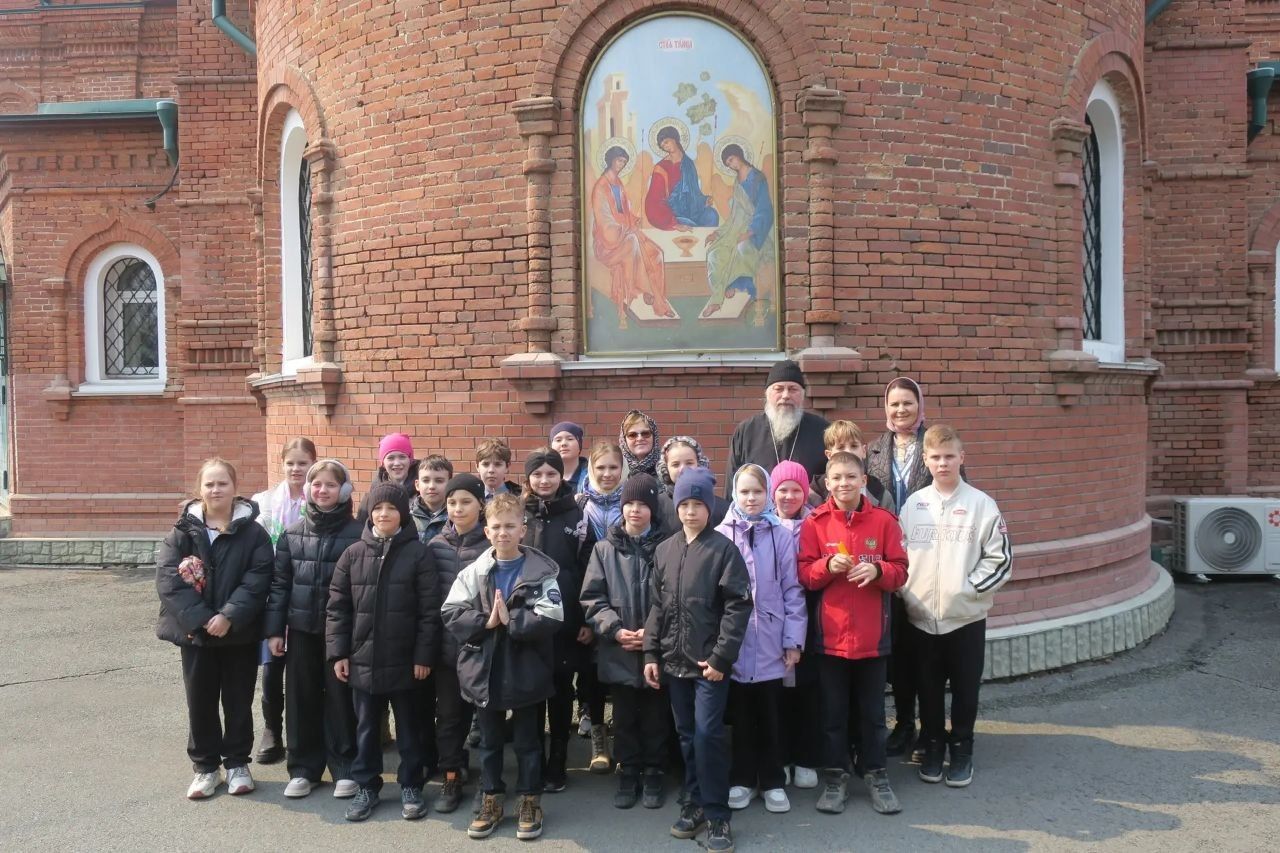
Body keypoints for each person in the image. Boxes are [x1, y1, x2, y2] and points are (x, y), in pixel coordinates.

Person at [443, 492, 565, 841]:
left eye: (510, 526)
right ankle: (491, 798)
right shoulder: (474, 572)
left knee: (528, 742)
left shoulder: (541, 572)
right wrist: (487, 621)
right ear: (486, 531)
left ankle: (529, 800)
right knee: (490, 742)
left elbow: (553, 615)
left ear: (523, 530)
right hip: (485, 671)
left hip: (527, 670)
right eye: (496, 527)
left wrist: (513, 622)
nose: (503, 533)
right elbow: (451, 612)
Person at [644, 467, 752, 853]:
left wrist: (721, 658)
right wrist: (651, 652)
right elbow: (657, 607)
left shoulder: (724, 550)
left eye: (698, 504)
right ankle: (694, 802)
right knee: (687, 736)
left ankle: (718, 814)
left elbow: (738, 607)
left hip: (709, 666)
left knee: (708, 736)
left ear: (710, 507)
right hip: (674, 663)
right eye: (684, 504)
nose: (690, 512)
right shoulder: (665, 550)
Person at [898, 425, 1011, 789]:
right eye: (935, 457)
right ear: (925, 460)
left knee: (965, 690)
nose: (943, 463)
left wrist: (967, 590)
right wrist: (907, 591)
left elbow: (1000, 560)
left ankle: (962, 749)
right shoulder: (914, 505)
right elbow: (899, 555)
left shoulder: (982, 505)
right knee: (928, 690)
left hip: (965, 619)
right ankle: (933, 746)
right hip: (921, 619)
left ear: (962, 457)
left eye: (949, 456)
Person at [156, 457, 273, 799]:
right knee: (200, 702)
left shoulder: (253, 533)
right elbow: (168, 580)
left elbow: (258, 579)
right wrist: (203, 619)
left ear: (235, 488)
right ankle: (206, 768)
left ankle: (237, 764)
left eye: (223, 483)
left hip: (238, 634)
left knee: (238, 701)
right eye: (209, 484)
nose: (216, 489)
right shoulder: (182, 532)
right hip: (196, 636)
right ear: (200, 489)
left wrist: (228, 616)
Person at [797, 452, 907, 817]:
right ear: (827, 483)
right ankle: (835, 778)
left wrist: (878, 573)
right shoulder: (815, 523)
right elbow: (804, 575)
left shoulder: (884, 521)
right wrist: (827, 565)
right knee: (833, 714)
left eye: (851, 477)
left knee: (873, 714)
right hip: (830, 639)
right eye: (837, 478)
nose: (844, 483)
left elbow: (901, 571)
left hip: (873, 639)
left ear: (863, 481)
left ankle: (877, 775)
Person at [326, 483, 441, 822]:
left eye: (391, 508)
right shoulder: (352, 554)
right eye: (377, 508)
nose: (384, 514)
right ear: (369, 513)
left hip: (406, 663)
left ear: (402, 514)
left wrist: (423, 656)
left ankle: (411, 784)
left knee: (409, 728)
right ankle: (366, 786)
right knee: (366, 729)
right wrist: (339, 654)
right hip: (362, 661)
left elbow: (429, 611)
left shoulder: (419, 554)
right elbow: (337, 609)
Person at [864, 377, 961, 759]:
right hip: (888, 562)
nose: (901, 410)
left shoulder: (936, 446)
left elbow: (955, 495)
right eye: (894, 404)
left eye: (908, 402)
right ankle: (903, 724)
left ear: (920, 405)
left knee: (926, 655)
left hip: (927, 560)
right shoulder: (873, 451)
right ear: (886, 408)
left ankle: (930, 729)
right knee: (899, 653)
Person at [265, 459, 363, 800]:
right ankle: (303, 768)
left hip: (342, 633)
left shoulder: (358, 534)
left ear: (344, 490)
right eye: (317, 484)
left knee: (341, 698)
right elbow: (280, 586)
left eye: (331, 484)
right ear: (308, 489)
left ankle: (345, 767)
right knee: (301, 698)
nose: (323, 490)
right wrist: (275, 631)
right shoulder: (292, 534)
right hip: (301, 630)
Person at [716, 465, 806, 815]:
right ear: (734, 494)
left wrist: (793, 641)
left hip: (771, 641)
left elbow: (792, 590)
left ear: (767, 493)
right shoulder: (721, 534)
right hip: (736, 643)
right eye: (744, 492)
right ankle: (741, 778)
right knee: (741, 716)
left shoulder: (780, 535)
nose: (751, 498)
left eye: (757, 491)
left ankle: (772, 780)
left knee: (771, 716)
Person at [580, 473, 673, 810]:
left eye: (642, 504)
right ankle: (629, 770)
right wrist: (615, 629)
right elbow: (592, 598)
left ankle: (654, 771)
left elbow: (673, 597)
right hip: (618, 648)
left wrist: (652, 634)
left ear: (653, 509)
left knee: (655, 717)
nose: (635, 510)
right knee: (624, 717)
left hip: (655, 650)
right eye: (629, 503)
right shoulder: (604, 550)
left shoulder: (667, 547)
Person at [520, 449, 592, 791]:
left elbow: (588, 570)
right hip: (528, 622)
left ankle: (558, 760)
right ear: (528, 478)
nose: (544, 480)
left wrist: (585, 619)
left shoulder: (576, 515)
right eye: (537, 474)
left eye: (551, 473)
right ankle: (533, 761)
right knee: (532, 694)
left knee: (561, 693)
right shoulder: (519, 513)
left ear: (561, 476)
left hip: (565, 621)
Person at [426, 473, 490, 814]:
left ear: (481, 505)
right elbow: (430, 602)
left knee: (487, 718)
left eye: (466, 501)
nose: (457, 508)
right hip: (447, 651)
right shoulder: (436, 546)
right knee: (449, 717)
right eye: (452, 502)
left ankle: (489, 781)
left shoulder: (491, 546)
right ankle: (452, 774)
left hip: (482, 648)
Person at [250, 437, 317, 764]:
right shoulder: (264, 503)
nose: (296, 469)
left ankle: (305, 733)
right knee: (272, 667)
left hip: (307, 593)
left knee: (305, 670)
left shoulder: (321, 499)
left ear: (313, 464)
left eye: (303, 463)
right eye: (290, 463)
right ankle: (272, 730)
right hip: (274, 593)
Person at [769, 460, 820, 790]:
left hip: (810, 618)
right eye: (782, 490)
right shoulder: (764, 525)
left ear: (805, 493)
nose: (789, 496)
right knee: (776, 695)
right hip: (772, 621)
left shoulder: (816, 525)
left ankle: (806, 758)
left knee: (807, 692)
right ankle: (780, 757)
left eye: (796, 490)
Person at [591, 146, 674, 322]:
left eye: (624, 162)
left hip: (626, 232)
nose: (621, 165)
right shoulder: (600, 187)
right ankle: (645, 294)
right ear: (611, 160)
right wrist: (625, 229)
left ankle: (654, 294)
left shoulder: (618, 184)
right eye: (619, 160)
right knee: (633, 243)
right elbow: (604, 221)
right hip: (608, 243)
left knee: (656, 253)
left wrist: (633, 220)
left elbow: (625, 212)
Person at [726, 361, 829, 491]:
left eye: (793, 389)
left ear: (802, 395)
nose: (785, 395)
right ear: (767, 394)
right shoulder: (746, 431)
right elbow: (733, 481)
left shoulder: (822, 430)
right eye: (779, 389)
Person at [702, 144, 774, 319]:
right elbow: (735, 215)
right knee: (714, 254)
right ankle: (728, 285)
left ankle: (721, 295)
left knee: (741, 248)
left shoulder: (758, 178)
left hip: (758, 230)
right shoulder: (737, 182)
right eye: (728, 164)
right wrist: (718, 233)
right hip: (737, 227)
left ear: (739, 155)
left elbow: (765, 210)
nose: (732, 165)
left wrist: (749, 232)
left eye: (732, 160)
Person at [644, 125, 719, 230]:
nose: (665, 146)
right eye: (662, 145)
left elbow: (694, 192)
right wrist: (673, 223)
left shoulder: (688, 164)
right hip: (673, 213)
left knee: (711, 215)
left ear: (674, 138)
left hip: (691, 210)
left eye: (666, 142)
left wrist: (704, 200)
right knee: (689, 224)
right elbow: (654, 200)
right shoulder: (661, 168)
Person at [657, 435, 731, 528]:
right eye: (675, 464)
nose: (683, 469)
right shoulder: (656, 505)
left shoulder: (723, 509)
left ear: (700, 464)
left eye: (689, 463)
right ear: (665, 469)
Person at [810, 420, 885, 505]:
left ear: (864, 451)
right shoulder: (815, 492)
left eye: (854, 446)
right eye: (841, 447)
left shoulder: (879, 491)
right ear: (829, 455)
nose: (848, 451)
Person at [357, 432, 418, 521]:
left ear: (410, 460)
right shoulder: (371, 497)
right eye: (390, 458)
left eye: (402, 457)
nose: (397, 463)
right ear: (382, 463)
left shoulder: (422, 492)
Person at [411, 454, 453, 544]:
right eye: (426, 480)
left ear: (450, 484)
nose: (432, 486)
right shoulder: (407, 518)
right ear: (417, 485)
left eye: (439, 481)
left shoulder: (456, 517)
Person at [619, 409, 661, 479]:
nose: (640, 438)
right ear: (624, 440)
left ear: (654, 437)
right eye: (632, 435)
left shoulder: (668, 466)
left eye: (645, 433)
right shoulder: (615, 467)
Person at [550, 421, 589, 493]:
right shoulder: (544, 475)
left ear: (579, 444)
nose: (563, 443)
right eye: (558, 440)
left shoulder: (592, 475)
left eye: (570, 439)